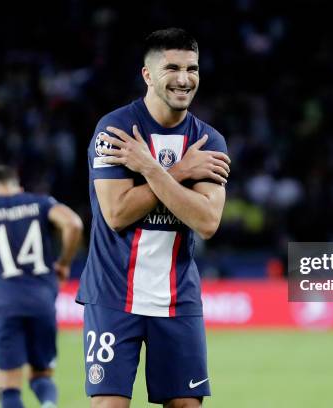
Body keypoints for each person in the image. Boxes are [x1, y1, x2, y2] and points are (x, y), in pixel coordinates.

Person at [76, 27, 230, 408]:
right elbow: (116, 213)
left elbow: (208, 221)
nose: (184, 78)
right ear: (147, 74)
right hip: (113, 295)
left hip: (178, 299)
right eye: (172, 67)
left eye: (192, 68)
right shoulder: (114, 131)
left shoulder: (209, 143)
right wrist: (176, 172)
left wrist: (151, 169)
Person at [0, 165, 84, 408]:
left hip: (5, 306)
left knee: (9, 389)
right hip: (43, 303)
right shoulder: (40, 203)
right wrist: (64, 263)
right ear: (18, 187)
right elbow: (74, 224)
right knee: (41, 375)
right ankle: (48, 404)